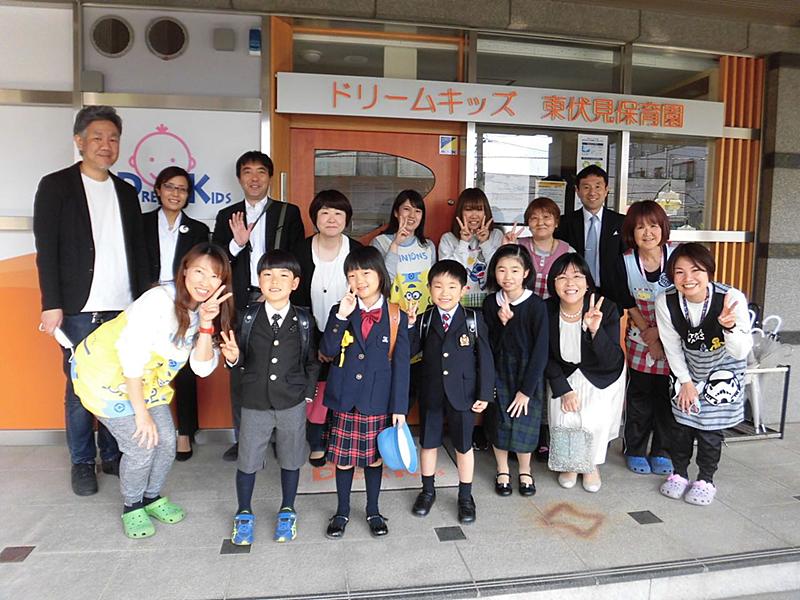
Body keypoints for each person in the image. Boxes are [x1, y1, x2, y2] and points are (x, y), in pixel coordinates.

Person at [70, 243, 234, 538]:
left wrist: (207, 324)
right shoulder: (158, 301)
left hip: (148, 382)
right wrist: (141, 414)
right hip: (106, 377)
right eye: (199, 271)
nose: (205, 282)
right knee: (142, 445)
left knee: (167, 442)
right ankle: (132, 505)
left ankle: (151, 497)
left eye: (214, 276)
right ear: (184, 270)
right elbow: (131, 355)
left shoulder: (206, 311)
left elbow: (201, 368)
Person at [33, 105, 150, 496]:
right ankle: (82, 462)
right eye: (97, 137)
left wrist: (143, 303)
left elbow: (138, 250)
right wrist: (51, 303)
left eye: (113, 138)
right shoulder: (56, 186)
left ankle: (112, 454)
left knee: (120, 384)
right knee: (81, 390)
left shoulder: (126, 192)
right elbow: (46, 249)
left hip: (123, 308)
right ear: (79, 141)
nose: (106, 145)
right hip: (77, 309)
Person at [222, 250, 321, 545]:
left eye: (282, 275)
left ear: (295, 283)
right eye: (267, 275)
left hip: (292, 401)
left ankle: (288, 509)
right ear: (259, 280)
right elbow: (238, 358)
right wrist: (233, 358)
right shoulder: (247, 317)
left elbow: (312, 362)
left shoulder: (304, 320)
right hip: (254, 402)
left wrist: (307, 395)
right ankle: (244, 512)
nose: (274, 281)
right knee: (248, 460)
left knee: (291, 458)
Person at [212, 151, 305, 461]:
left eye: (261, 171)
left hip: (278, 303)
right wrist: (237, 243)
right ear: (239, 178)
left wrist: (275, 294)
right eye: (248, 172)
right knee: (241, 372)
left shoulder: (287, 213)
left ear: (270, 177)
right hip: (240, 303)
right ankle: (245, 441)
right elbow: (218, 263)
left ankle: (278, 438)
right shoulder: (228, 215)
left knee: (280, 369)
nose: (254, 178)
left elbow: (296, 259)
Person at [319, 246, 410, 539]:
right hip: (345, 397)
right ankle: (342, 511)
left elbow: (402, 367)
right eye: (352, 275)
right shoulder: (341, 310)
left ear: (380, 275)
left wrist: (399, 408)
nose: (359, 280)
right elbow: (327, 350)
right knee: (344, 460)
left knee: (374, 459)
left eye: (366, 273)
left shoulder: (396, 316)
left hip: (378, 400)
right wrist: (341, 316)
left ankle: (373, 510)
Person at [655, 243, 752, 506]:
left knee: (710, 430)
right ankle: (679, 473)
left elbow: (741, 351)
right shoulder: (666, 301)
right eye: (679, 272)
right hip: (686, 367)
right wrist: (685, 382)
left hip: (723, 370)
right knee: (681, 425)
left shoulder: (730, 298)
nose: (688, 278)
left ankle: (706, 480)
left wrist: (729, 327)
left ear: (709, 271)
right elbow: (671, 346)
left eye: (696, 270)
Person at [407, 260, 494, 524]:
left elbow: (485, 358)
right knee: (428, 443)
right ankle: (427, 491)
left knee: (464, 446)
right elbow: (410, 351)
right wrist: (410, 325)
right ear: (429, 288)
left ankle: (465, 496)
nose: (444, 292)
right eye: (438, 286)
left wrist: (485, 394)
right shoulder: (425, 319)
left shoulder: (473, 319)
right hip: (432, 393)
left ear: (464, 289)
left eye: (452, 286)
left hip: (463, 394)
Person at [290, 190, 362, 467]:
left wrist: (336, 340)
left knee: (345, 383)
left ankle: (341, 437)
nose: (332, 219)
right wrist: (317, 343)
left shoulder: (357, 251)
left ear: (347, 218)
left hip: (350, 334)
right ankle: (316, 440)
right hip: (309, 332)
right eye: (325, 212)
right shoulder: (299, 251)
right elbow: (294, 301)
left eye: (338, 213)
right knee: (316, 386)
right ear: (315, 217)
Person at [143, 166, 210, 460]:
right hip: (148, 301)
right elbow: (134, 262)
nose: (175, 193)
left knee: (182, 368)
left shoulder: (197, 229)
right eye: (170, 187)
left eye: (182, 189)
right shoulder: (141, 223)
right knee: (144, 368)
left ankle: (185, 432)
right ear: (158, 190)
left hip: (184, 303)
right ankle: (146, 430)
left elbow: (202, 269)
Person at [545, 253, 626, 493]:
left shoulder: (605, 307)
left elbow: (612, 358)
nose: (570, 283)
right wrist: (563, 389)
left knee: (592, 420)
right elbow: (543, 355)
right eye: (562, 277)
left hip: (601, 373)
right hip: (563, 371)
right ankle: (571, 464)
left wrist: (595, 331)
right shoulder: (546, 309)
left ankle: (590, 465)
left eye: (577, 276)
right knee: (564, 418)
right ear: (553, 283)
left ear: (588, 282)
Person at [615, 201, 677, 476]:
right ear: (631, 232)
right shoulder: (625, 260)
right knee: (639, 395)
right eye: (640, 227)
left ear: (663, 228)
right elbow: (627, 301)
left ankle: (662, 451)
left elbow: (687, 297)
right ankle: (635, 449)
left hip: (673, 337)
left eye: (653, 226)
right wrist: (649, 335)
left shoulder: (677, 257)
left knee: (667, 396)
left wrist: (661, 335)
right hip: (640, 337)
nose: (648, 232)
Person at [482, 244, 548, 497]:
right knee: (499, 421)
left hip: (527, 373)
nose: (507, 276)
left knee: (524, 421)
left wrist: (526, 390)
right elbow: (488, 346)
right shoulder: (491, 303)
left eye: (514, 270)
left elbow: (540, 351)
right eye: (501, 270)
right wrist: (502, 324)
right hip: (498, 371)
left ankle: (524, 470)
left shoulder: (536, 305)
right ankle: (502, 469)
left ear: (526, 273)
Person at [555, 165, 625, 303]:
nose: (592, 192)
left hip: (613, 296)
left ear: (606, 190)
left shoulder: (621, 222)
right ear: (577, 191)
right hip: (573, 293)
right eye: (586, 187)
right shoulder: (564, 223)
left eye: (598, 187)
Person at [370, 189, 437, 314]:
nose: (412, 215)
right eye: (406, 209)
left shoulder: (428, 246)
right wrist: (395, 244)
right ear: (396, 212)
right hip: (392, 314)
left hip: (424, 313)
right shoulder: (380, 242)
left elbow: (434, 283)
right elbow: (382, 282)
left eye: (417, 211)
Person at [438, 188, 503, 307]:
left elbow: (498, 270)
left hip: (490, 304)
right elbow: (448, 275)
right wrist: (463, 243)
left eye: (479, 209)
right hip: (457, 305)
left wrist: (485, 243)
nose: (474, 215)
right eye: (468, 209)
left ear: (486, 212)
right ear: (460, 212)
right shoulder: (448, 239)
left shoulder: (496, 236)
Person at [503, 196, 574, 299]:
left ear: (556, 222)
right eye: (534, 218)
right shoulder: (517, 246)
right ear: (528, 223)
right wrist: (506, 249)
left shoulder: (568, 252)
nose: (540, 223)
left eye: (546, 217)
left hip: (554, 307)